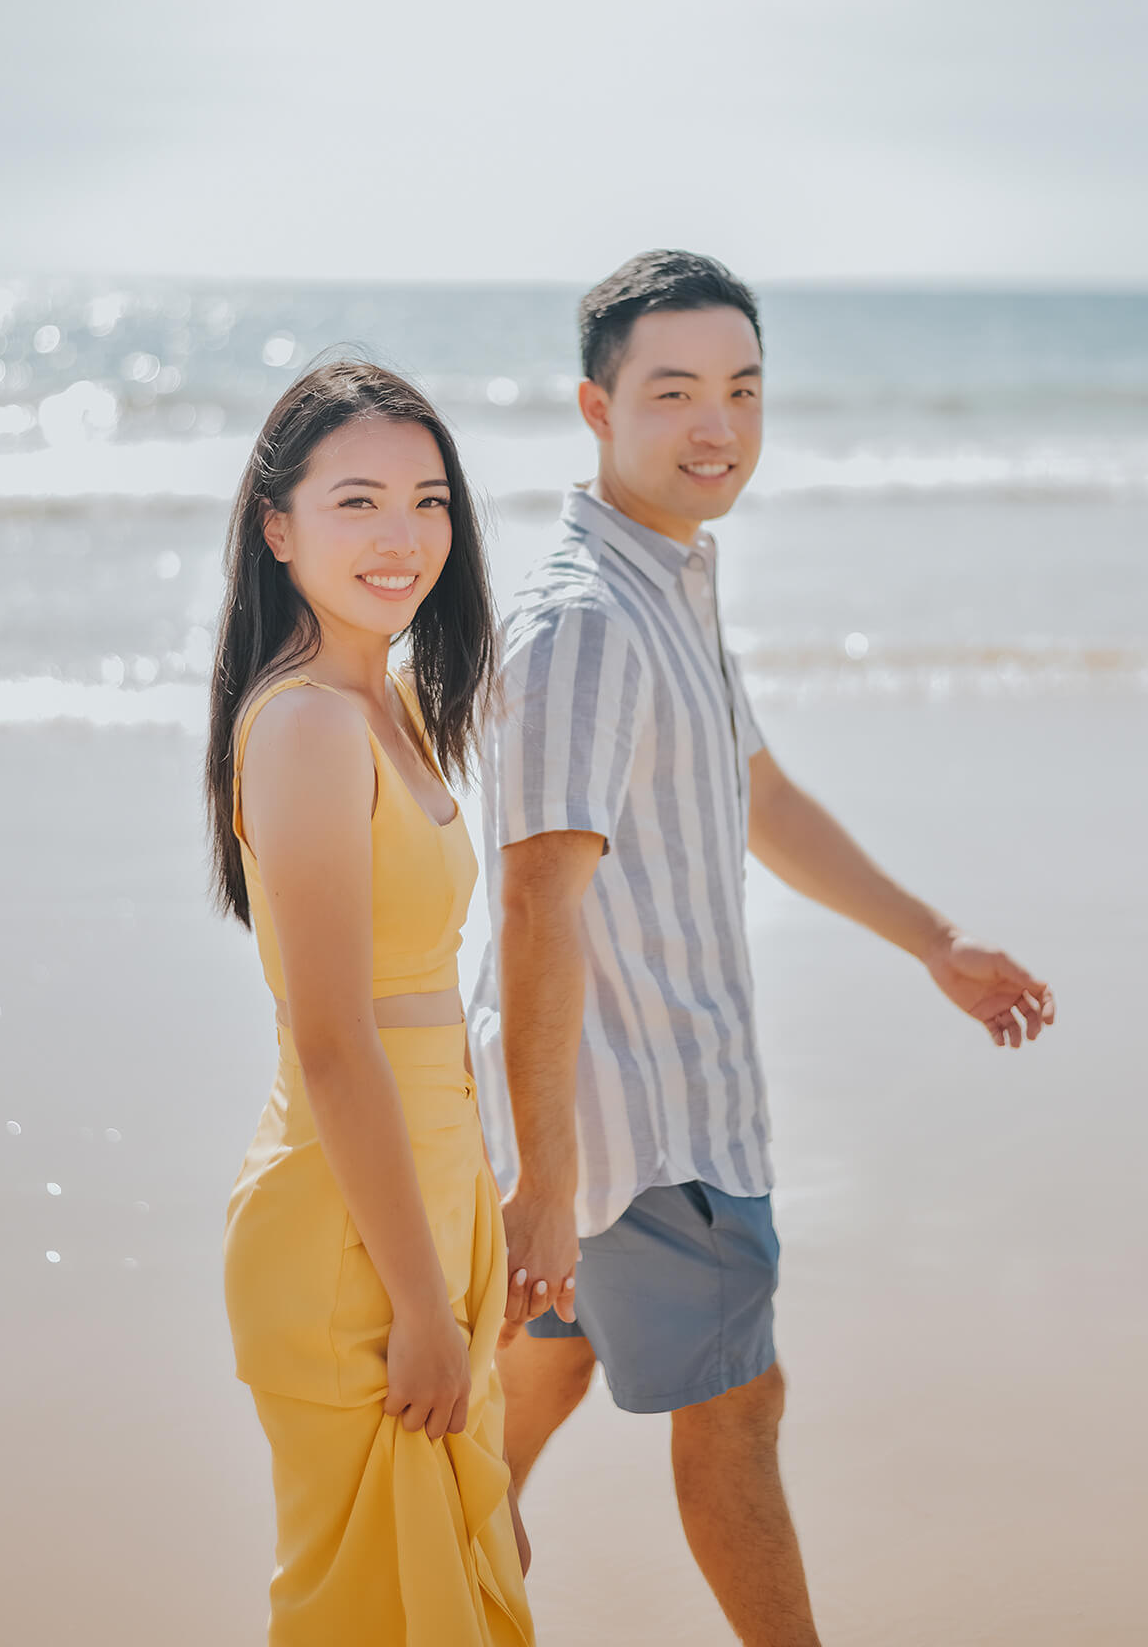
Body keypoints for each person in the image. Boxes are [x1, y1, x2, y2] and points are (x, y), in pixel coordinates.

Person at [468, 250, 1056, 1647]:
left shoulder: (669, 579)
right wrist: (548, 1182)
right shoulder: (587, 624)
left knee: (516, 1409)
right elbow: (537, 902)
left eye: (741, 387)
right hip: (642, 1129)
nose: (715, 422)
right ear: (595, 410)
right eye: (672, 391)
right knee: (740, 1410)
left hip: (616, 1122)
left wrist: (937, 940)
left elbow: (760, 795)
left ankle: (442, 1597)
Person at [208, 359, 535, 1647]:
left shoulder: (381, 700)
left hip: (422, 1204)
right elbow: (336, 1043)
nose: (403, 539)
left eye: (429, 500)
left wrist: (471, 1243)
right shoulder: (305, 730)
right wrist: (415, 1305)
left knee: (458, 1589)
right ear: (277, 527)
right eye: (357, 503)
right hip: (354, 1241)